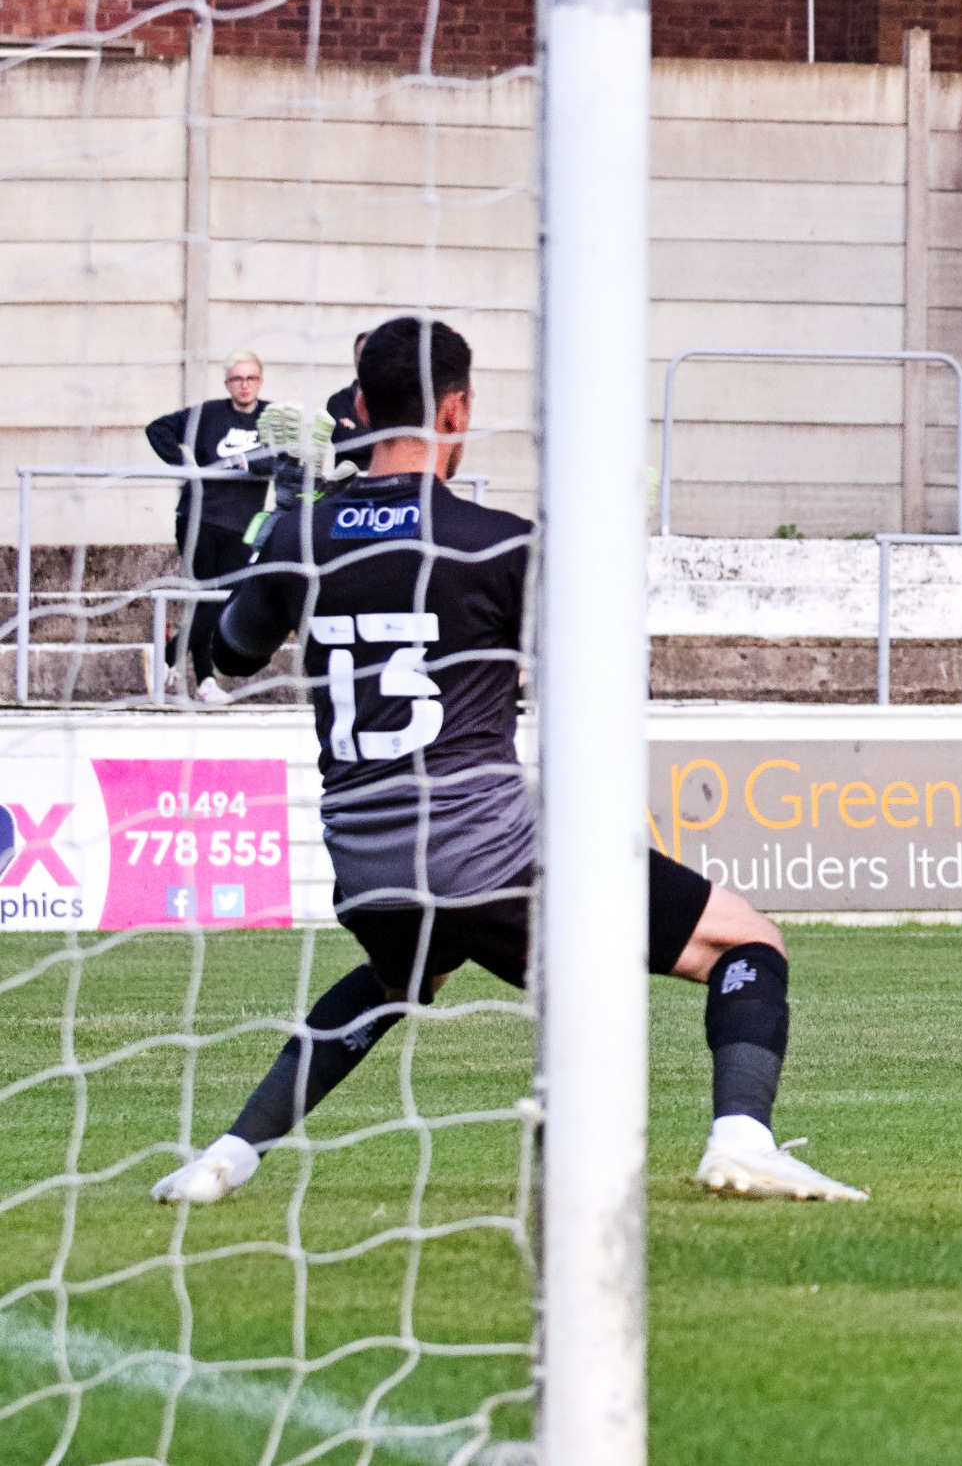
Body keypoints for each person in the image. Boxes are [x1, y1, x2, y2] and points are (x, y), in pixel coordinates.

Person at [150, 317, 866, 1207]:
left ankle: (231, 1152)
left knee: (397, 977)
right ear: (458, 409)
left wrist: (276, 541)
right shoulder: (496, 542)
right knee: (745, 938)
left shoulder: (299, 535)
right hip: (488, 856)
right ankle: (741, 1138)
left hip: (368, 866)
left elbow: (224, 661)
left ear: (361, 407)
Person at [144, 350, 279, 684]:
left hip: (243, 524)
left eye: (250, 378)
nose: (244, 385)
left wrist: (248, 463)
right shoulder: (208, 414)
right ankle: (204, 683)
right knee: (205, 597)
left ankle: (168, 658)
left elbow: (283, 458)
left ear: (260, 381)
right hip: (198, 518)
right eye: (237, 379)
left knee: (225, 597)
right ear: (227, 383)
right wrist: (184, 463)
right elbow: (157, 429)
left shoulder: (273, 418)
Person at [324, 330, 371, 454]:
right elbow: (344, 441)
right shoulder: (338, 401)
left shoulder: (394, 401)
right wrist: (385, 438)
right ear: (354, 359)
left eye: (371, 354)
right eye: (361, 354)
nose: (366, 360)